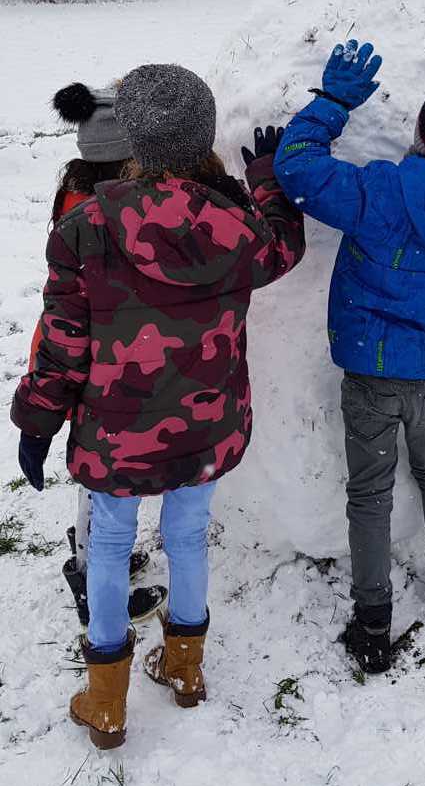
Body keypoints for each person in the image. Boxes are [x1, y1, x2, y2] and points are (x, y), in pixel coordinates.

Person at [12, 64, 305, 748]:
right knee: (188, 534)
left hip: (118, 433)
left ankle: (106, 697)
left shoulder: (86, 225)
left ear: (132, 139)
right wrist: (263, 177)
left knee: (112, 543)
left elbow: (63, 342)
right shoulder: (236, 224)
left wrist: (37, 418)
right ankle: (184, 667)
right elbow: (284, 243)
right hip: (206, 423)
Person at [274, 39, 425, 674]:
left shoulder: (381, 194)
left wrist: (332, 101)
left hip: (373, 374)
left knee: (371, 491)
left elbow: (295, 167)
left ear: (419, 130)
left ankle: (372, 617)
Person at [33, 82, 166, 629]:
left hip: (64, 342)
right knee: (99, 475)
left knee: (94, 469)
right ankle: (90, 575)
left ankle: (93, 549)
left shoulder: (75, 189)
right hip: (89, 353)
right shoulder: (106, 212)